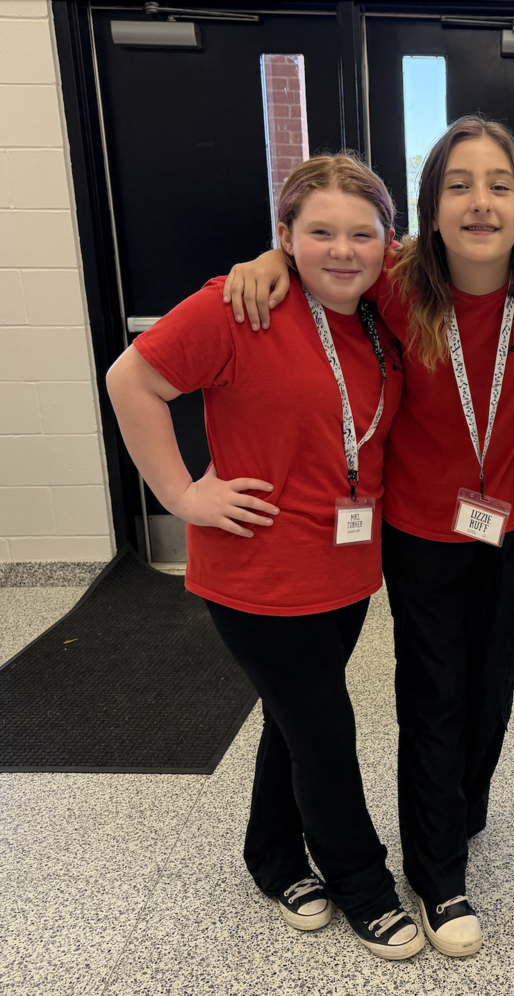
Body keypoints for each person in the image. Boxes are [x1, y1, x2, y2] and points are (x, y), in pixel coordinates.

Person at [221, 116, 514, 957]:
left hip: (512, 530)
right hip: (420, 533)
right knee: (434, 697)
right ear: (428, 209)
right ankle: (437, 874)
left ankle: (457, 810)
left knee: (491, 695)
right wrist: (268, 258)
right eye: (458, 185)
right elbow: (322, 248)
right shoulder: (396, 276)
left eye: (499, 185)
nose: (480, 202)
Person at [105, 154, 424, 960]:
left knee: (294, 720)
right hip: (257, 571)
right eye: (319, 233)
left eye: (362, 234)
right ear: (285, 235)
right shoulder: (238, 305)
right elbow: (130, 381)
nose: (342, 250)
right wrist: (180, 495)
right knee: (325, 728)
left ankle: (273, 856)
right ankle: (361, 882)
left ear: (389, 243)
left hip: (345, 568)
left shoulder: (380, 314)